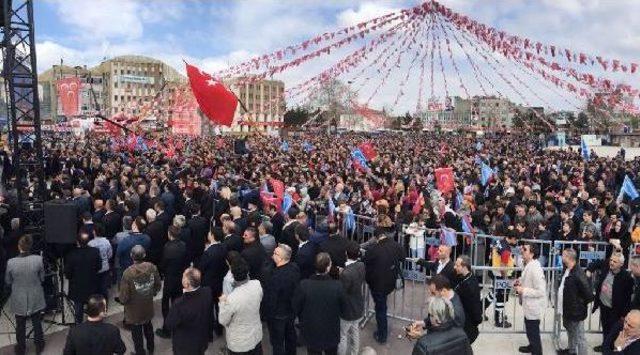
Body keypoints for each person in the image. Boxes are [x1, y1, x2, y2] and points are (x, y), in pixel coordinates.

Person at [293, 252, 347, 355]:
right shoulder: (337, 286)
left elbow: (296, 308)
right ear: (328, 267)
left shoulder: (304, 285)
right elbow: (343, 309)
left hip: (311, 332)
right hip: (331, 332)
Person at [362, 228, 405, 344]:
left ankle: (382, 335)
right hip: (390, 282)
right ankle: (382, 332)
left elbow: (365, 261)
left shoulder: (373, 249)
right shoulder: (395, 245)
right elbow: (403, 257)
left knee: (381, 309)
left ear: (376, 238)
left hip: (377, 285)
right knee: (382, 307)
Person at [5, 235, 46, 355]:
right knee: (37, 322)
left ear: (19, 247)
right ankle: (39, 346)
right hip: (35, 295)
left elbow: (8, 281)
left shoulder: (11, 262)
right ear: (30, 246)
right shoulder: (38, 259)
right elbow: (42, 278)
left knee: (20, 324)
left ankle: (21, 349)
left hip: (19, 297)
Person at [119, 245, 161, 355]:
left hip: (134, 311)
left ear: (131, 256)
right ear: (145, 255)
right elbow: (158, 285)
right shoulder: (152, 267)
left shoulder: (127, 273)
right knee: (148, 328)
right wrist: (152, 293)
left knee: (137, 334)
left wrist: (122, 301)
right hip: (148, 306)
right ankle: (151, 349)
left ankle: (140, 352)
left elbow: (124, 296)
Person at [588, 253, 634, 352]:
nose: (611, 263)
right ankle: (605, 345)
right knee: (605, 327)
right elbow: (595, 263)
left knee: (613, 330)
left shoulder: (626, 278)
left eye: (614, 261)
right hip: (604, 305)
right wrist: (589, 270)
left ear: (621, 264)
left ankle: (612, 349)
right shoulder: (606, 268)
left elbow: (627, 298)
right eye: (611, 260)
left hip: (616, 310)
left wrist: (624, 314)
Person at [218, 258, 264, 354]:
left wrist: (222, 303)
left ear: (233, 276)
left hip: (239, 343)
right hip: (256, 335)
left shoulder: (231, 299)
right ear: (247, 273)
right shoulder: (257, 284)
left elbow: (223, 320)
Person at [165, 268, 213, 355]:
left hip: (185, 346)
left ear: (186, 284)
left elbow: (169, 324)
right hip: (201, 341)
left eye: (183, 277)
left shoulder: (179, 304)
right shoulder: (208, 292)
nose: (182, 278)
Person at [265, 243, 300, 355]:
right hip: (291, 311)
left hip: (277, 315)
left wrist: (269, 315)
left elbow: (271, 299)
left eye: (275, 253)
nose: (272, 255)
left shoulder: (275, 276)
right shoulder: (295, 268)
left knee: (278, 342)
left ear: (281, 258)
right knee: (290, 337)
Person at [558, 248, 594, 355]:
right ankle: (572, 351)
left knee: (580, 337)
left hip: (576, 312)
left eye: (563, 255)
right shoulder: (568, 269)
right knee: (570, 331)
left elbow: (588, 295)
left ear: (568, 258)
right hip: (567, 309)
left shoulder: (578, 274)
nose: (561, 257)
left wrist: (578, 306)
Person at [514, 242, 547, 355]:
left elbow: (541, 291)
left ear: (532, 254)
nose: (522, 251)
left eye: (525, 249)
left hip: (534, 307)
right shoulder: (528, 264)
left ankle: (536, 351)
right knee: (529, 329)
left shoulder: (535, 268)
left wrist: (523, 290)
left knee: (533, 332)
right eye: (522, 248)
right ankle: (531, 346)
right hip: (528, 305)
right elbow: (528, 280)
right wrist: (520, 281)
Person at [155, 225, 188, 339]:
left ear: (170, 234)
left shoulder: (167, 247)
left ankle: (167, 329)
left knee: (165, 304)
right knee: (177, 302)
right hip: (180, 278)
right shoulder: (183, 245)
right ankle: (177, 324)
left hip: (169, 279)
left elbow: (163, 264)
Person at [65, 230, 102, 324]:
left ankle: (79, 325)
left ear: (77, 242)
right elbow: (99, 267)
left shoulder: (71, 255)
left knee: (78, 309)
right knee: (93, 306)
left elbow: (68, 274)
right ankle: (93, 323)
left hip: (77, 287)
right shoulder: (95, 251)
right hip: (92, 285)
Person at [199, 227, 228, 338]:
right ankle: (219, 329)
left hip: (209, 284)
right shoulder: (224, 248)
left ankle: (209, 334)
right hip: (220, 282)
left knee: (209, 309)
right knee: (219, 306)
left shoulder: (208, 252)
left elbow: (201, 268)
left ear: (212, 236)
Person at [338, 241, 366, 355]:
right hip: (358, 306)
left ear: (346, 253)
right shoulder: (361, 265)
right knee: (355, 331)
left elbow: (343, 292)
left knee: (342, 336)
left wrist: (342, 274)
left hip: (348, 310)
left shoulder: (346, 274)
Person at [452, 255, 482, 344]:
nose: (455, 267)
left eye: (457, 265)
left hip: (467, 325)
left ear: (464, 267)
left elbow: (473, 306)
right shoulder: (464, 278)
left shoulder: (469, 285)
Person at [88, 223, 113, 301]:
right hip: (105, 268)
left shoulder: (90, 244)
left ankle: (95, 306)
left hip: (94, 269)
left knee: (94, 288)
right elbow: (110, 254)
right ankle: (104, 305)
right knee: (104, 288)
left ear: (94, 232)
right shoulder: (106, 242)